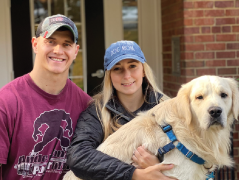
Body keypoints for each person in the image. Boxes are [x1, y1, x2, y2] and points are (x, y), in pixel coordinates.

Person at [66, 40, 177, 180]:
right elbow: (78, 156)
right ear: (109, 76)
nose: (127, 76)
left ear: (143, 70)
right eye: (117, 69)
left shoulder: (168, 109)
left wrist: (157, 165)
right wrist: (134, 174)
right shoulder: (97, 112)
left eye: (132, 66)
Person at [0, 14, 91, 180]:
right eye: (51, 41)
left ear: (75, 51)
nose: (58, 50)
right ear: (35, 44)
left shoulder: (86, 105)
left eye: (66, 44)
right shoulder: (6, 102)